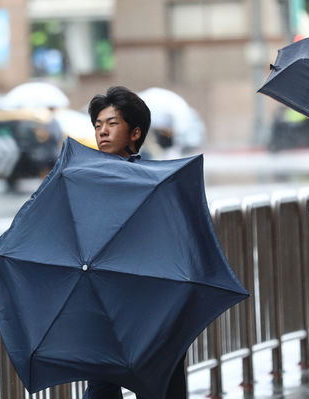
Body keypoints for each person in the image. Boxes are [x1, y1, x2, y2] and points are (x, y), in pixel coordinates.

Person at [83, 86, 188, 399]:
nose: (103, 131)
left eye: (112, 124)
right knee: (101, 386)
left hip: (153, 304)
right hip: (103, 304)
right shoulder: (83, 181)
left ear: (135, 133)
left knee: (163, 384)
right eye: (98, 124)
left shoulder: (158, 183)